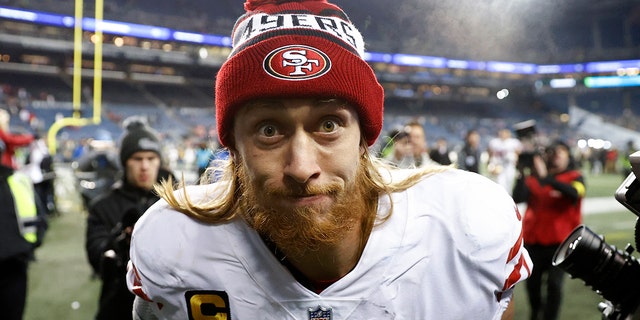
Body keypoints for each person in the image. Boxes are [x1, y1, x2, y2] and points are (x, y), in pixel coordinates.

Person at [126, 1, 532, 319]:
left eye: (329, 125)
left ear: (364, 137)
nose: (302, 167)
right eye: (269, 130)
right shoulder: (173, 247)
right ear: (233, 145)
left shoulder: (467, 227)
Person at [85, 119, 175, 320]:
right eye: (137, 158)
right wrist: (118, 242)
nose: (144, 166)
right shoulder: (103, 206)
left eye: (151, 158)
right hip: (118, 306)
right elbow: (96, 256)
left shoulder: (176, 201)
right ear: (125, 162)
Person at [512, 140, 585, 320]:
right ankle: (536, 312)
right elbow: (517, 197)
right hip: (533, 241)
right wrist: (521, 172)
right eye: (554, 153)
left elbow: (575, 193)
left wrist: (546, 178)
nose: (557, 157)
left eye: (561, 154)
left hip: (560, 243)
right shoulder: (534, 178)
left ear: (569, 157)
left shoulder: (576, 177)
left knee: (554, 285)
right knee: (532, 285)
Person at [0, 139, 47, 320]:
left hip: (15, 268)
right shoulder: (19, 181)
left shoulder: (19, 181)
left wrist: (28, 246)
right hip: (17, 264)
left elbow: (40, 221)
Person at [488, 128, 522, 195]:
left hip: (510, 166)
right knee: (500, 184)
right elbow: (491, 153)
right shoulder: (495, 142)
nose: (503, 134)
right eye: (502, 133)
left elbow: (518, 153)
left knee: (509, 185)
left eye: (505, 133)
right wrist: (492, 164)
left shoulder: (513, 142)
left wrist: (514, 157)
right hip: (499, 166)